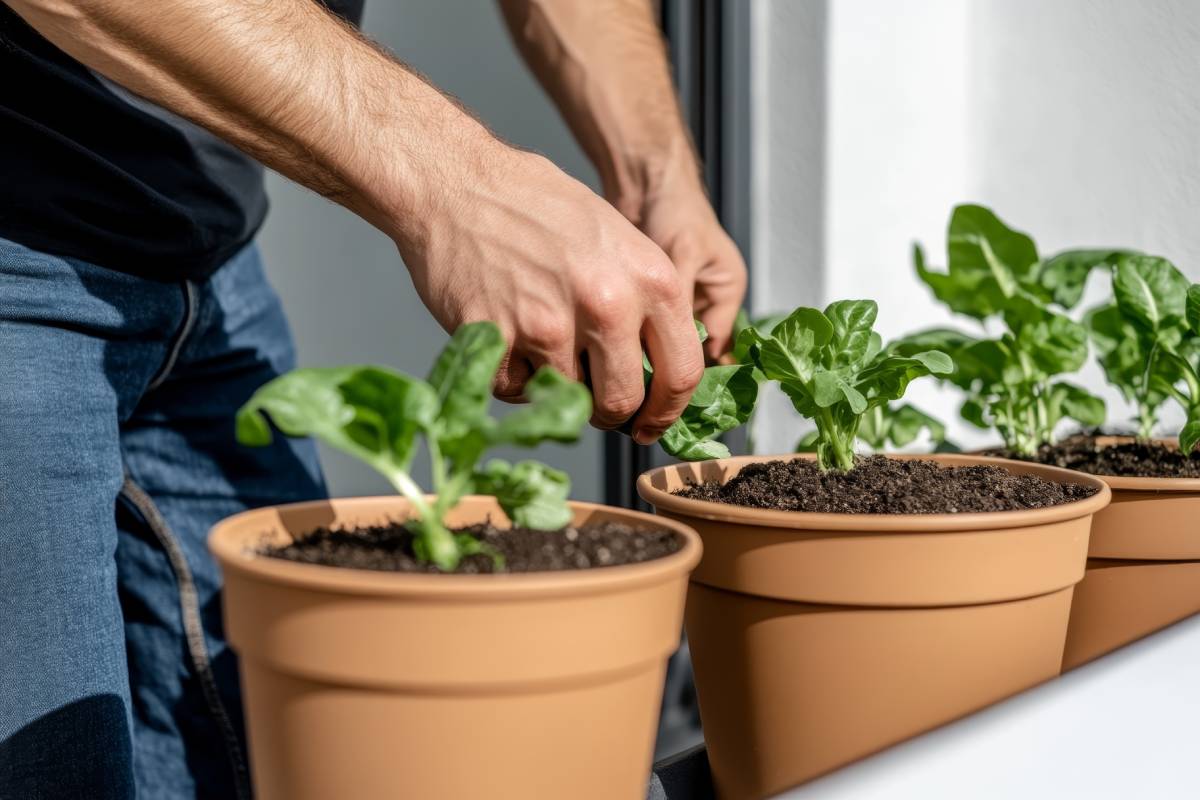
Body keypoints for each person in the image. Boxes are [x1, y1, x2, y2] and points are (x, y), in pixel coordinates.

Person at [0, 0, 746, 796]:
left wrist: (654, 175)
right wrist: (459, 181)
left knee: (282, 750)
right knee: (51, 765)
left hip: (202, 246)